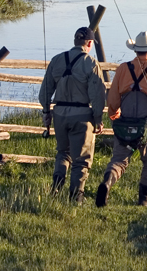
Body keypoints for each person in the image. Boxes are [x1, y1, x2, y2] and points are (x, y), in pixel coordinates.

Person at [96, 31, 147, 208]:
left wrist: (114, 116)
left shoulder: (122, 69)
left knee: (119, 159)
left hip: (125, 121)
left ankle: (107, 183)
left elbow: (113, 98)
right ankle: (144, 199)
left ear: (135, 50)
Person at [39, 27, 106, 204]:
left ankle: (56, 189)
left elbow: (45, 90)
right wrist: (98, 118)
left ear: (75, 41)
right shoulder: (90, 63)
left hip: (59, 113)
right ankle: (76, 197)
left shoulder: (57, 60)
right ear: (90, 43)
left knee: (63, 153)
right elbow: (97, 95)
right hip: (82, 115)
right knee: (81, 159)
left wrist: (46, 111)